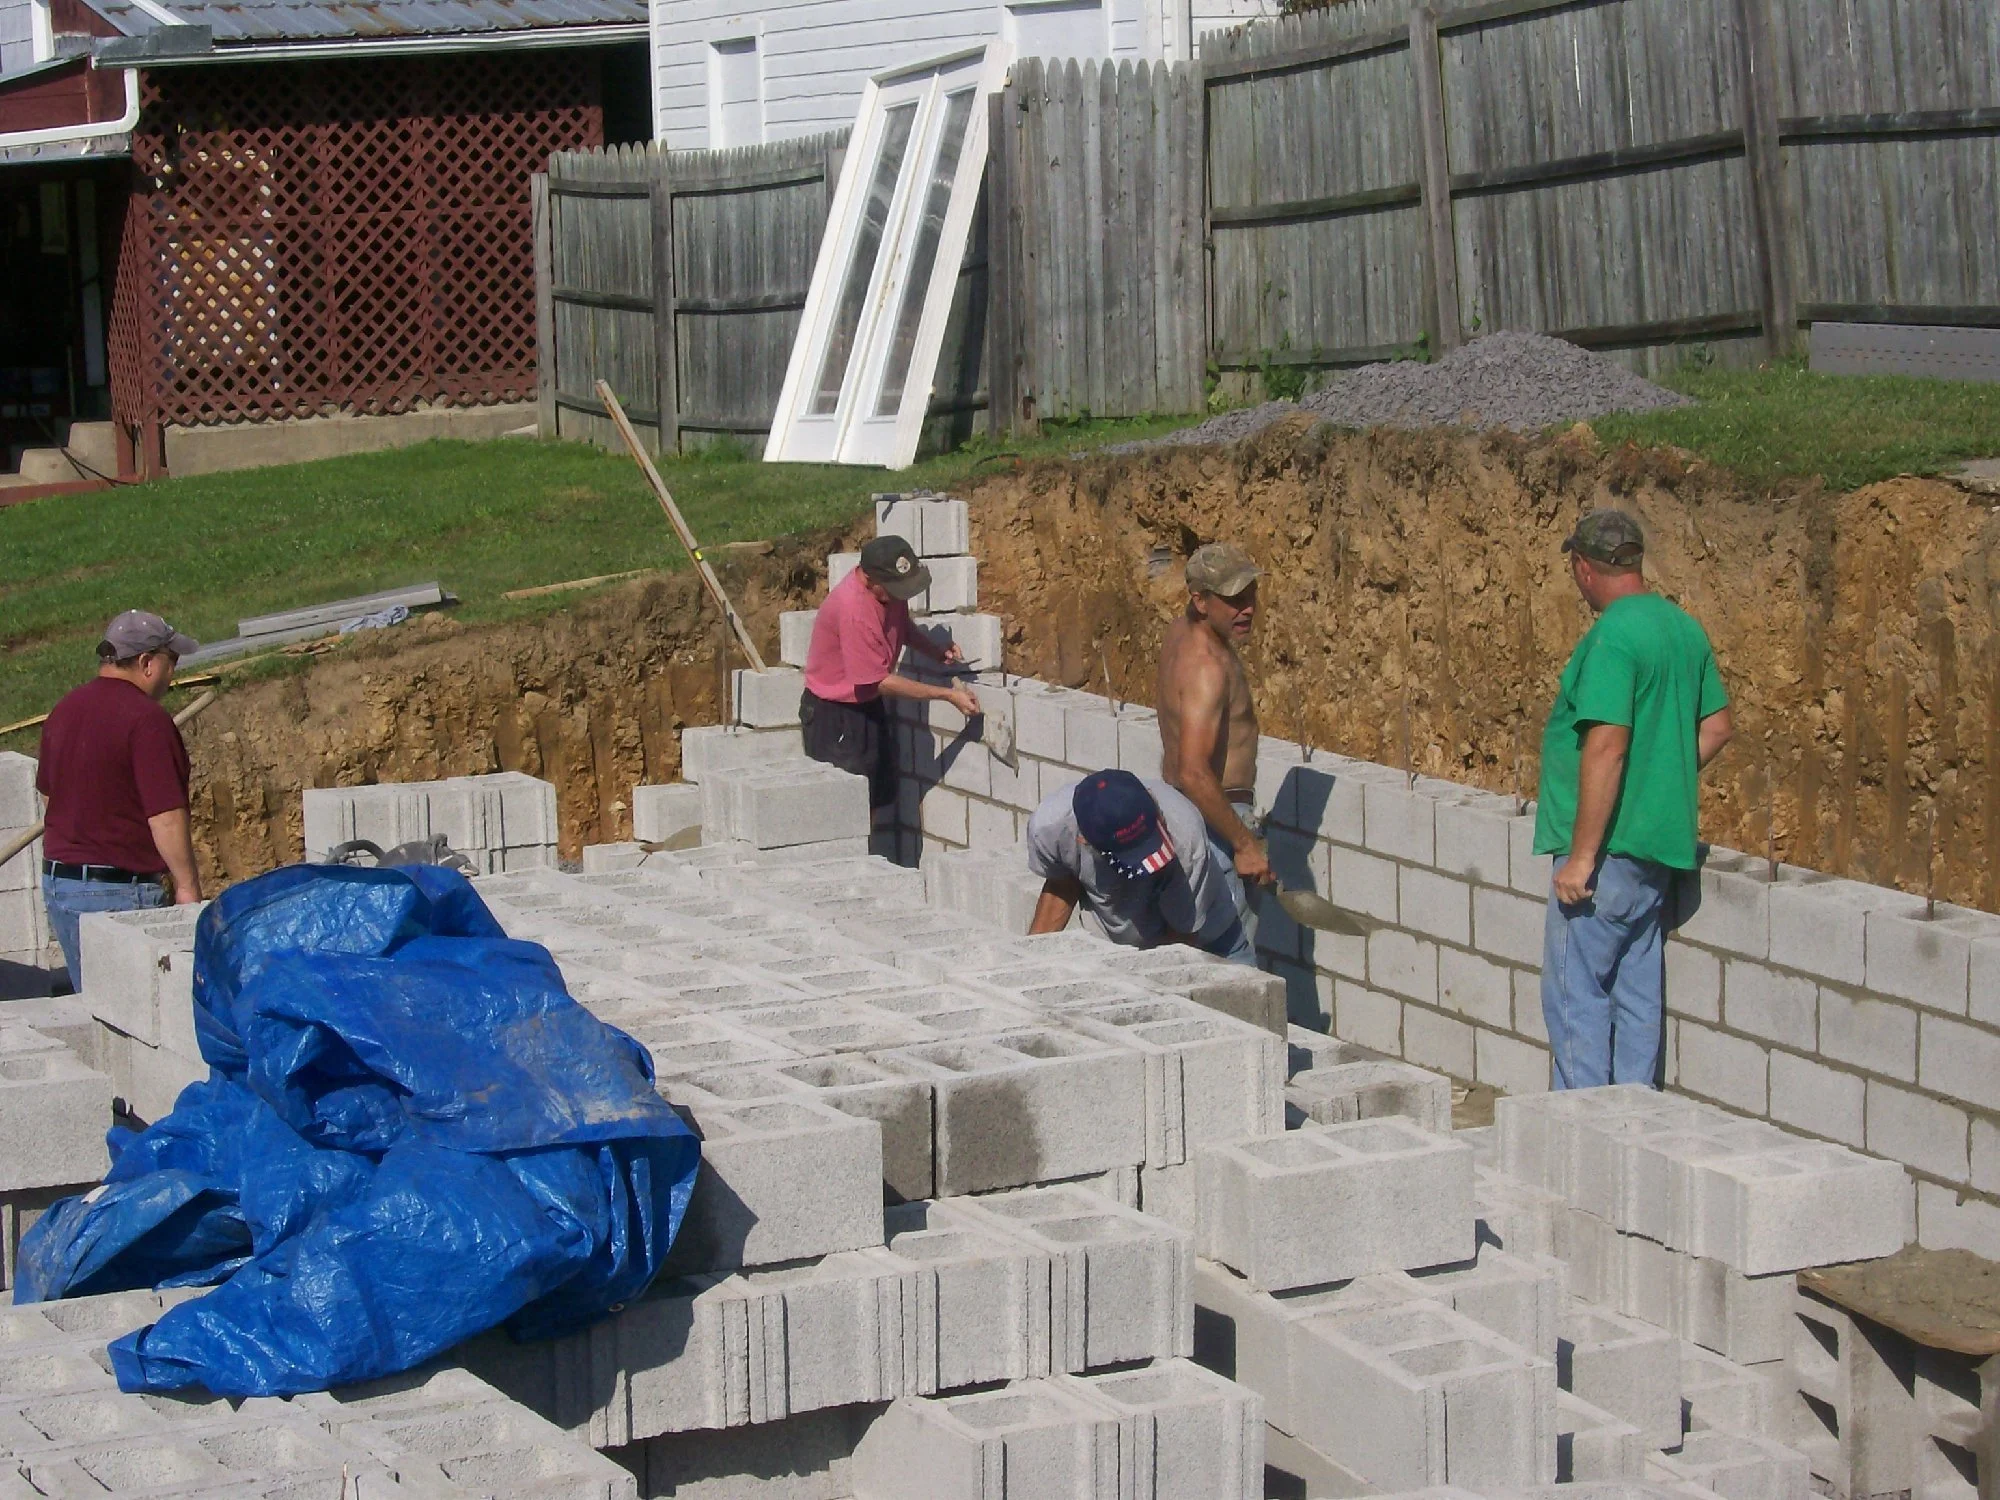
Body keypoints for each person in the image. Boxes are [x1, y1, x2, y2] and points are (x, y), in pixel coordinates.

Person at [1535, 510, 1733, 1090]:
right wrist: (1660, 779)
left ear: (1583, 567)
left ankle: (1582, 1137)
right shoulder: (1682, 629)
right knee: (1637, 993)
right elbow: (1717, 727)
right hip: (1656, 856)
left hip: (1609, 856)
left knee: (1577, 997)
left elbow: (1607, 747)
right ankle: (1636, 1128)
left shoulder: (1614, 636)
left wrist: (1580, 859)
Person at [37, 610, 204, 989]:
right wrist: (187, 888)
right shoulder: (147, 721)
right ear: (147, 663)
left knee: (97, 1011)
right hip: (118, 892)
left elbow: (50, 794)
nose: (172, 674)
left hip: (61, 885)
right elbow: (166, 817)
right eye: (171, 661)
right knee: (141, 1012)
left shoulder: (64, 710)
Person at [802, 535, 979, 810]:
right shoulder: (854, 610)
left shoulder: (889, 590)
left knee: (877, 798)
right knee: (847, 809)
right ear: (870, 580)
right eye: (897, 589)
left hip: (866, 706)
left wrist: (934, 650)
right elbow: (879, 681)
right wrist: (948, 695)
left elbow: (901, 626)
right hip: (835, 716)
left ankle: (870, 853)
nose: (902, 595)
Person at [1025, 768, 1253, 963]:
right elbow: (1062, 887)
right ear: (1084, 840)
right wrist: (1030, 965)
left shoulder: (1185, 836)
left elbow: (1179, 946)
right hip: (1120, 947)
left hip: (1209, 940)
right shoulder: (1049, 829)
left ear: (1152, 800)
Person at [1158, 542, 1272, 896]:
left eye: (1251, 594)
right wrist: (1244, 844)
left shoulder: (1180, 634)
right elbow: (1193, 770)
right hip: (1217, 822)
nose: (1248, 608)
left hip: (1185, 813)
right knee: (1232, 950)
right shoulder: (1206, 667)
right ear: (1201, 601)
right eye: (1234, 600)